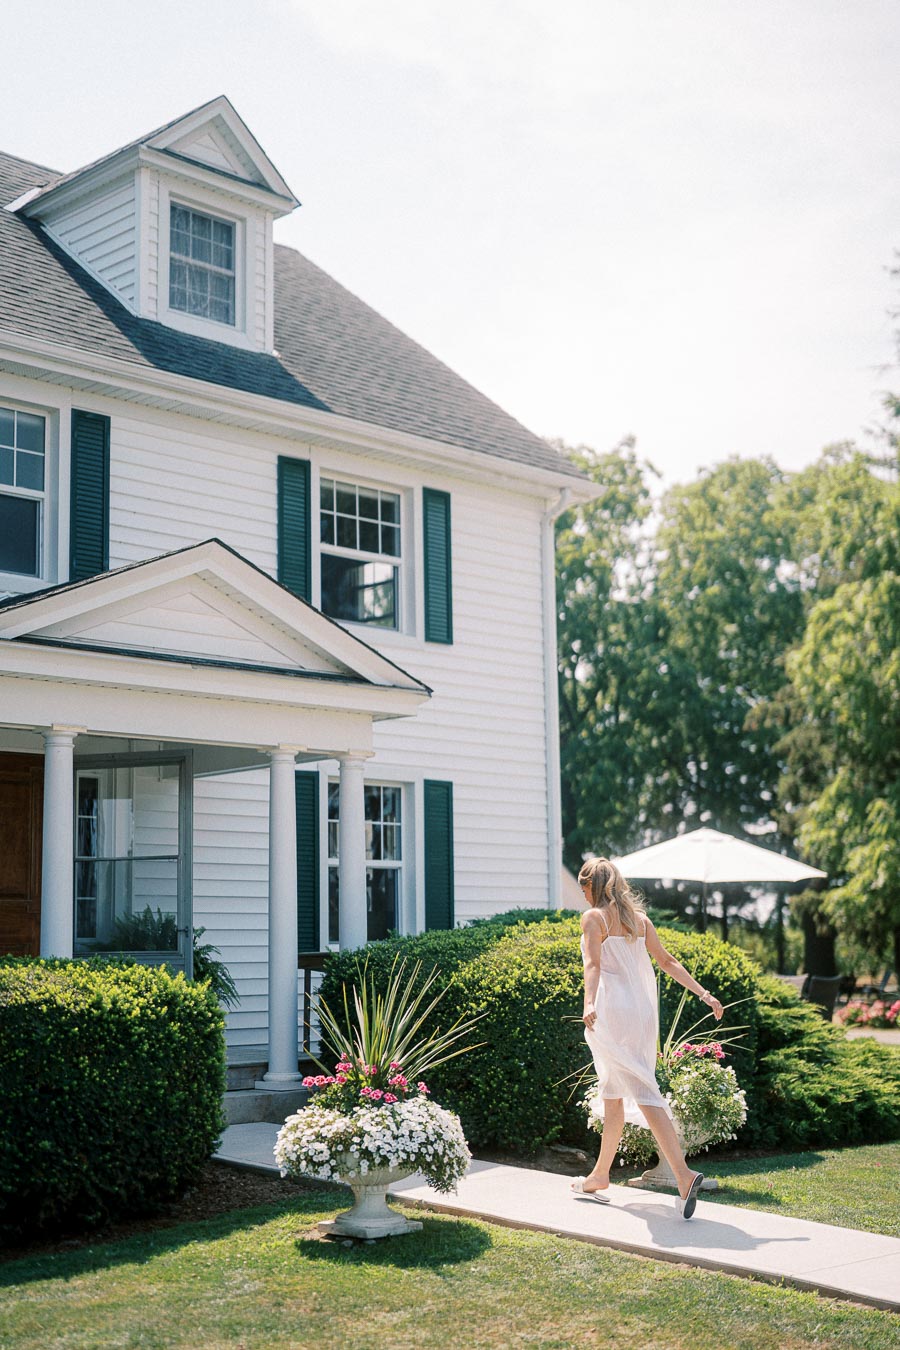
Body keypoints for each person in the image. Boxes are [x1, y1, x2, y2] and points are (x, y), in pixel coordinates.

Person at [572, 856, 724, 1219]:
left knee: (641, 1089)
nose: (583, 896)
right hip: (642, 1013)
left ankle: (684, 1175)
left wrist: (588, 1001)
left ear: (592, 886)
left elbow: (592, 965)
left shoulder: (594, 918)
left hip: (614, 1012)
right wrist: (705, 994)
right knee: (612, 1089)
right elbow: (667, 961)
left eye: (583, 888)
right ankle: (600, 1174)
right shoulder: (639, 921)